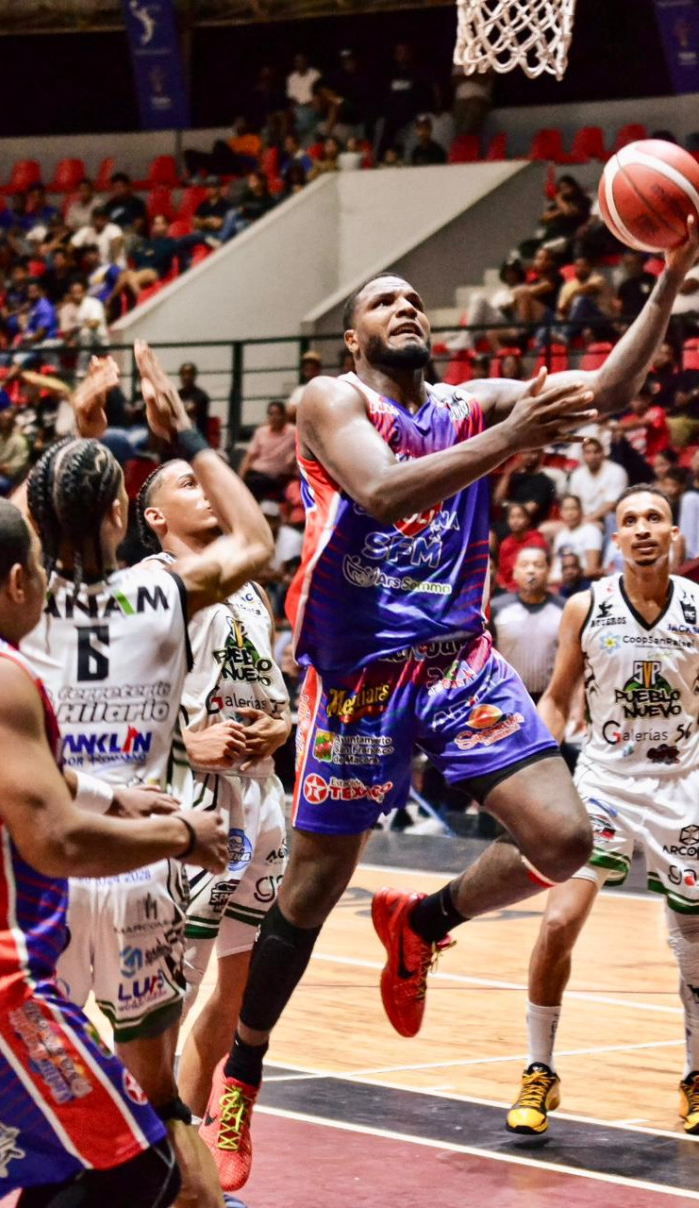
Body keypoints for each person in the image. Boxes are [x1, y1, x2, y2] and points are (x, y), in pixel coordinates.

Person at [197, 232, 699, 1193]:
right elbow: (382, 493)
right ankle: (245, 1075)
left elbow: (611, 395)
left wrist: (670, 277)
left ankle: (420, 921)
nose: (407, 308)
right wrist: (513, 438)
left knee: (565, 840)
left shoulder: (473, 403)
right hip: (358, 675)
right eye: (384, 302)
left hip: (459, 660)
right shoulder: (329, 401)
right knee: (309, 886)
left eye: (415, 301)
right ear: (350, 340)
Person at [0, 349, 271, 1208]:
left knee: (27, 1095)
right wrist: (187, 436)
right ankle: (199, 1200)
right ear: (123, 510)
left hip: (45, 864)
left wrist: (74, 433)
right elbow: (254, 539)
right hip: (141, 862)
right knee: (162, 1093)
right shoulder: (166, 588)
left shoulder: (20, 599)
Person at [0, 495, 228, 1206]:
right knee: (144, 1168)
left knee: (65, 1168)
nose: (50, 582)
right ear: (17, 582)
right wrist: (182, 834)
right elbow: (56, 843)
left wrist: (112, 796)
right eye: (43, 569)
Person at [505, 486, 699, 1137]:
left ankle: (695, 1077)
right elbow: (558, 698)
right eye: (631, 520)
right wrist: (527, 773)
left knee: (696, 946)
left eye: (655, 519)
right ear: (614, 538)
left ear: (674, 533)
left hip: (683, 788)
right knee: (558, 921)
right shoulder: (588, 606)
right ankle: (539, 1070)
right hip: (605, 782)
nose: (644, 529)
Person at [136, 461, 290, 1119]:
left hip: (259, 796)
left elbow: (277, 698)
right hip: (191, 795)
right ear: (155, 518)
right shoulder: (150, 583)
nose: (207, 490)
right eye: (188, 483)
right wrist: (183, 741)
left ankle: (191, 1151)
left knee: (239, 984)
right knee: (172, 984)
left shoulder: (252, 588)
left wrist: (280, 729)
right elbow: (118, 699)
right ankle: (144, 1162)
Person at [491, 548, 564, 702]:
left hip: (550, 698)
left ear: (548, 571)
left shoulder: (564, 609)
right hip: (507, 697)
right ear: (515, 573)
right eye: (524, 565)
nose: (531, 571)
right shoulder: (496, 608)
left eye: (538, 565)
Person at [237, 400, 296, 500]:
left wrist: (294, 454)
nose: (275, 418)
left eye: (278, 414)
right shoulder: (261, 432)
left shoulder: (293, 432)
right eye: (271, 414)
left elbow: (304, 448)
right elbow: (249, 456)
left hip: (279, 476)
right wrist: (240, 478)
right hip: (258, 472)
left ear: (284, 416)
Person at [569, 437, 628, 527]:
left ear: (602, 453)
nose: (592, 456)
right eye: (588, 452)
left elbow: (611, 504)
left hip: (608, 519)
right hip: (583, 519)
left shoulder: (616, 471)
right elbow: (574, 503)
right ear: (583, 455)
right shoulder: (577, 475)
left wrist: (586, 521)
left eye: (596, 452)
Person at [496, 502, 549, 592]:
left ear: (528, 520)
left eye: (520, 517)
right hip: (507, 589)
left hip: (530, 586)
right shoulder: (505, 544)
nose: (515, 521)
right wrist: (503, 585)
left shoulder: (537, 541)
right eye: (512, 517)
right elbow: (502, 573)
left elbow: (538, 572)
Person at [549, 494, 603, 582]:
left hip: (578, 583)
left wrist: (560, 580)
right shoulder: (560, 535)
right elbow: (554, 566)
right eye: (566, 509)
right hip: (555, 584)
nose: (570, 513)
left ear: (581, 511)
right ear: (561, 512)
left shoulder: (591, 531)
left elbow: (592, 569)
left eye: (573, 508)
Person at [178, 361, 211, 438]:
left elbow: (191, 411)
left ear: (194, 376)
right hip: (178, 431)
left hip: (196, 433)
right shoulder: (177, 394)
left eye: (189, 374)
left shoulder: (201, 395)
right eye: (183, 374)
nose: (186, 377)